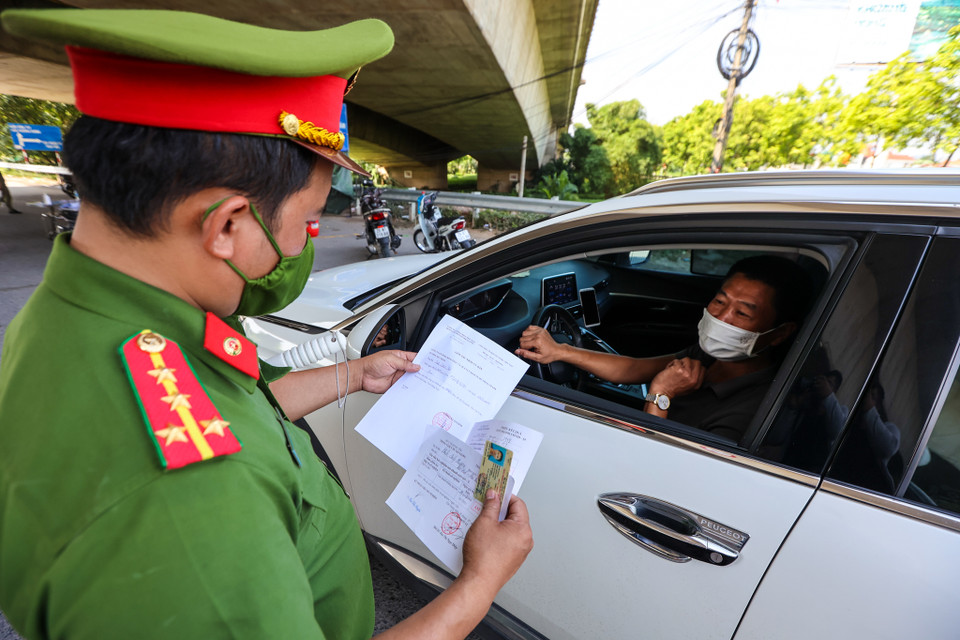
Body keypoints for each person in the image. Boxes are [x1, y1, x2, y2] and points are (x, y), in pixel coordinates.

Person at [0, 9, 531, 640]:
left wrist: (354, 374)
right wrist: (478, 585)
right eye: (306, 223)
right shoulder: (191, 503)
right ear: (226, 225)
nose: (306, 244)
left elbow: (231, 410)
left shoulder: (95, 317)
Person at [517, 254, 812, 442]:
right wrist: (560, 351)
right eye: (720, 302)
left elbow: (657, 465)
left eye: (743, 314)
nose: (721, 318)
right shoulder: (709, 356)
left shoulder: (752, 413)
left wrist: (661, 394)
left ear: (779, 333)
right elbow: (633, 368)